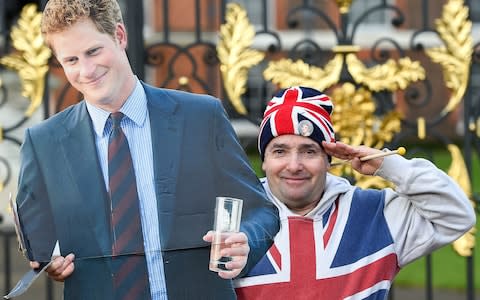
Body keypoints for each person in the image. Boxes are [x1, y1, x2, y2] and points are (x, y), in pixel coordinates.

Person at [15, 0, 279, 299]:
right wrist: (50, 260)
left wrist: (246, 239)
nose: (86, 71)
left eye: (93, 51)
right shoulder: (43, 143)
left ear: (120, 36)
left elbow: (261, 211)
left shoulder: (201, 117)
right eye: (71, 60)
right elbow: (38, 243)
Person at [234, 86, 476, 299]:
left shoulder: (376, 214)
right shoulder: (237, 219)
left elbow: (457, 215)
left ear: (329, 160)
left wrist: (388, 165)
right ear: (264, 161)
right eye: (279, 151)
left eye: (309, 151)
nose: (294, 165)